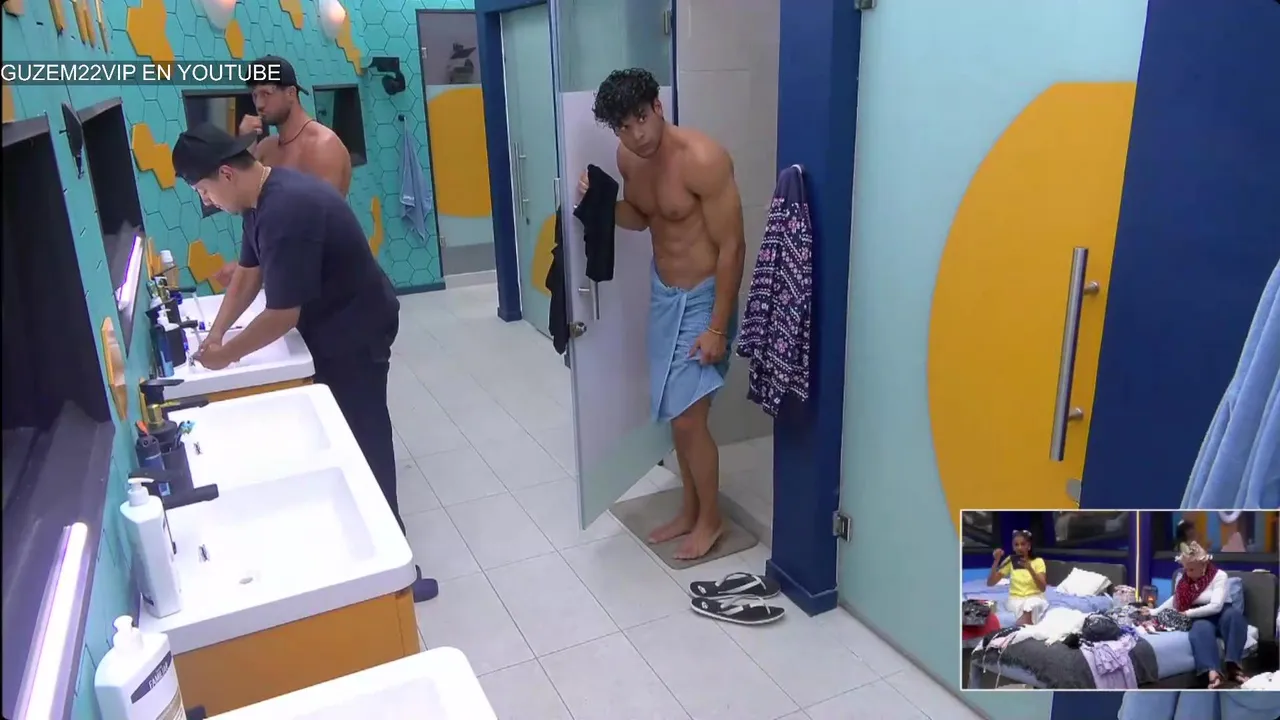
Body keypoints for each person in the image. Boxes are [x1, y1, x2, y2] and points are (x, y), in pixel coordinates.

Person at [170, 123, 439, 603]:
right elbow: (248, 274)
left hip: (357, 329)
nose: (206, 200)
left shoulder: (287, 209)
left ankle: (400, 573)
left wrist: (227, 355)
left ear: (226, 173)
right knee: (347, 438)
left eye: (203, 190)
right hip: (330, 325)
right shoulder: (259, 200)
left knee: (365, 440)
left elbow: (281, 315)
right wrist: (215, 335)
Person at [578, 68, 746, 561]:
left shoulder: (703, 159)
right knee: (678, 417)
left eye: (641, 118)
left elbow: (733, 247)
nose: (637, 134)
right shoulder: (629, 158)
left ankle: (710, 520)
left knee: (691, 421)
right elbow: (643, 217)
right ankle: (691, 511)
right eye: (623, 127)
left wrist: (717, 327)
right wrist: (601, 203)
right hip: (664, 295)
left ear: (658, 106)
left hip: (704, 299)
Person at [211, 55, 353, 287]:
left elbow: (315, 228)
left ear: (291, 93)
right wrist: (244, 144)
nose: (259, 104)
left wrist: (253, 268)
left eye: (266, 93)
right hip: (290, 278)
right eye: (254, 95)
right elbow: (241, 204)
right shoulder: (266, 149)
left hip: (331, 282)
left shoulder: (322, 146)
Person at [1150, 542, 1248, 688]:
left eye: (1191, 569)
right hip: (1199, 615)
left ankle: (1234, 667)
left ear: (1203, 566)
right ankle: (1213, 673)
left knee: (1234, 617)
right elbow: (1176, 599)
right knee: (1201, 629)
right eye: (1186, 569)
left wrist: (1187, 613)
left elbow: (1216, 606)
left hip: (1222, 611)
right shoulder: (1183, 579)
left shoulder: (1219, 576)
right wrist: (1154, 612)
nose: (1187, 573)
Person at [987, 530, 1048, 625]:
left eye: (1023, 544)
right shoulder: (1010, 561)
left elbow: (1042, 588)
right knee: (1022, 607)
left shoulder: (1038, 561)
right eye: (1016, 545)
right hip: (1015, 600)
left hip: (1035, 597)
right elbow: (990, 583)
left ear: (1029, 546)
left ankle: (1021, 624)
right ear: (1013, 547)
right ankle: (1024, 624)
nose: (1019, 547)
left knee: (1032, 604)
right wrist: (996, 561)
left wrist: (1030, 569)